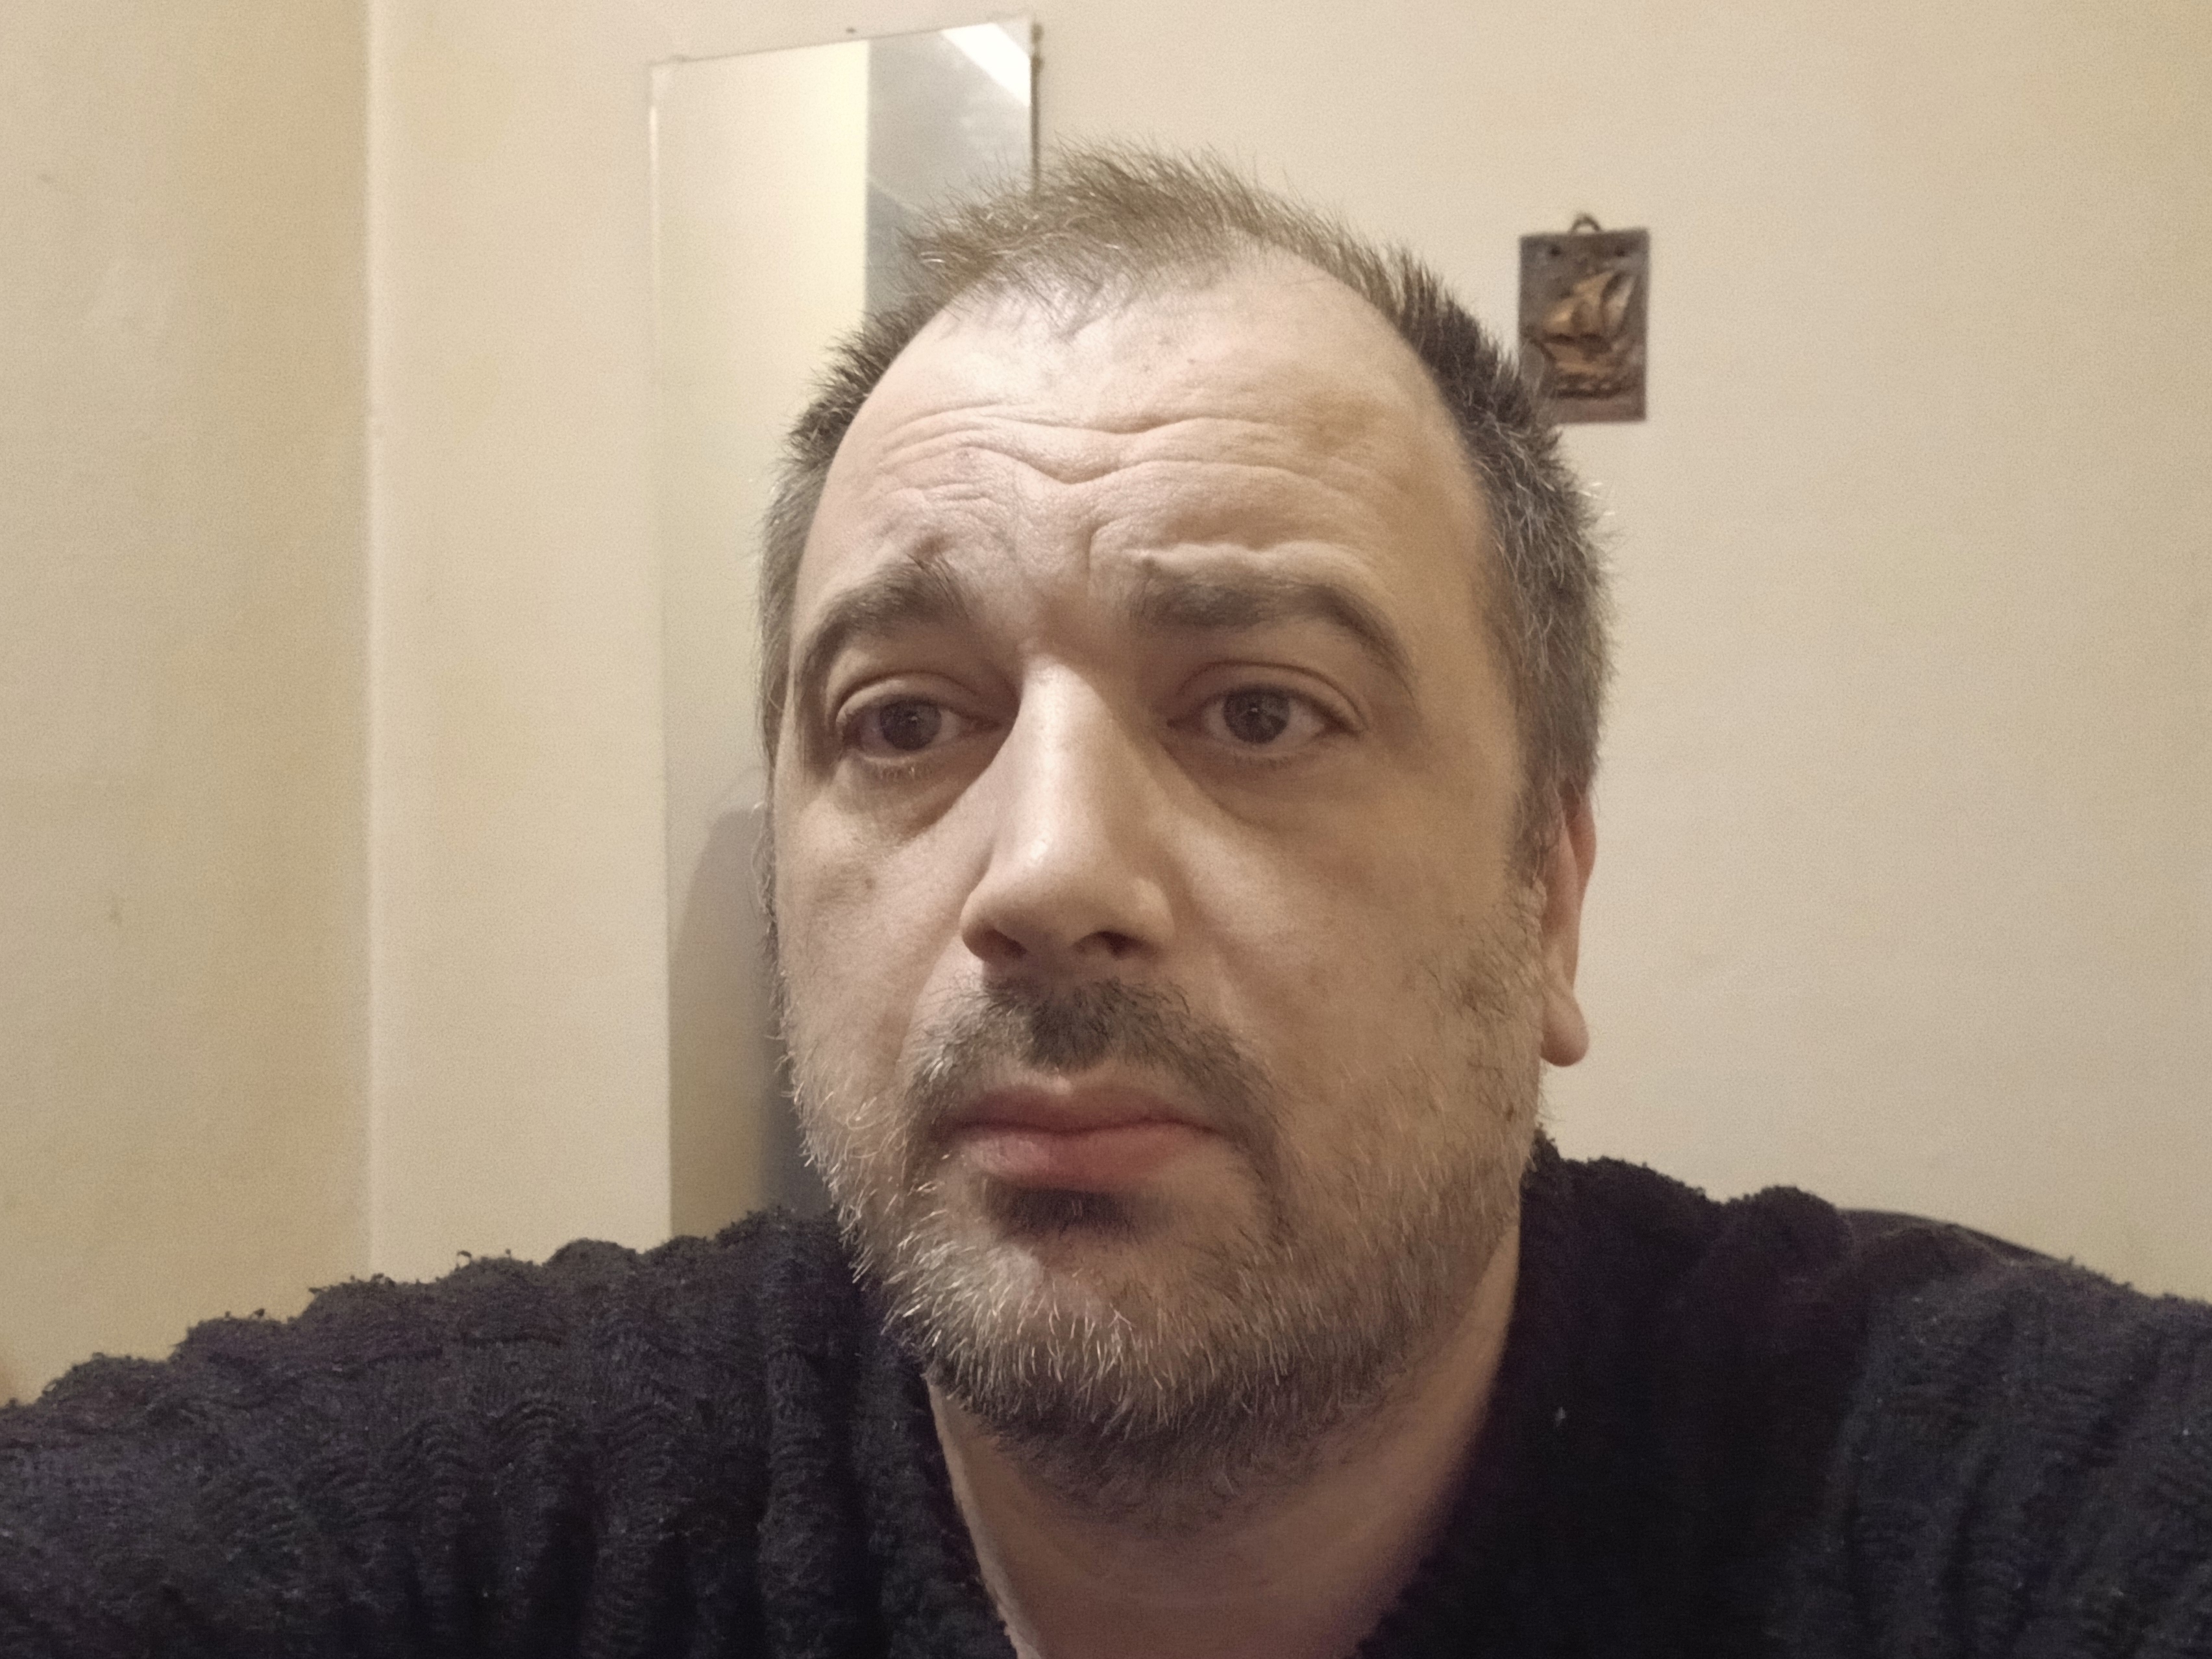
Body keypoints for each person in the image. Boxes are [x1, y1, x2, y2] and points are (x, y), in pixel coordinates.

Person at [3, 147, 2207, 1659]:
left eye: (1258, 710)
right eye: (902, 720)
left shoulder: (1974, 1502)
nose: (1045, 873)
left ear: (1549, 895)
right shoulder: (518, 1506)